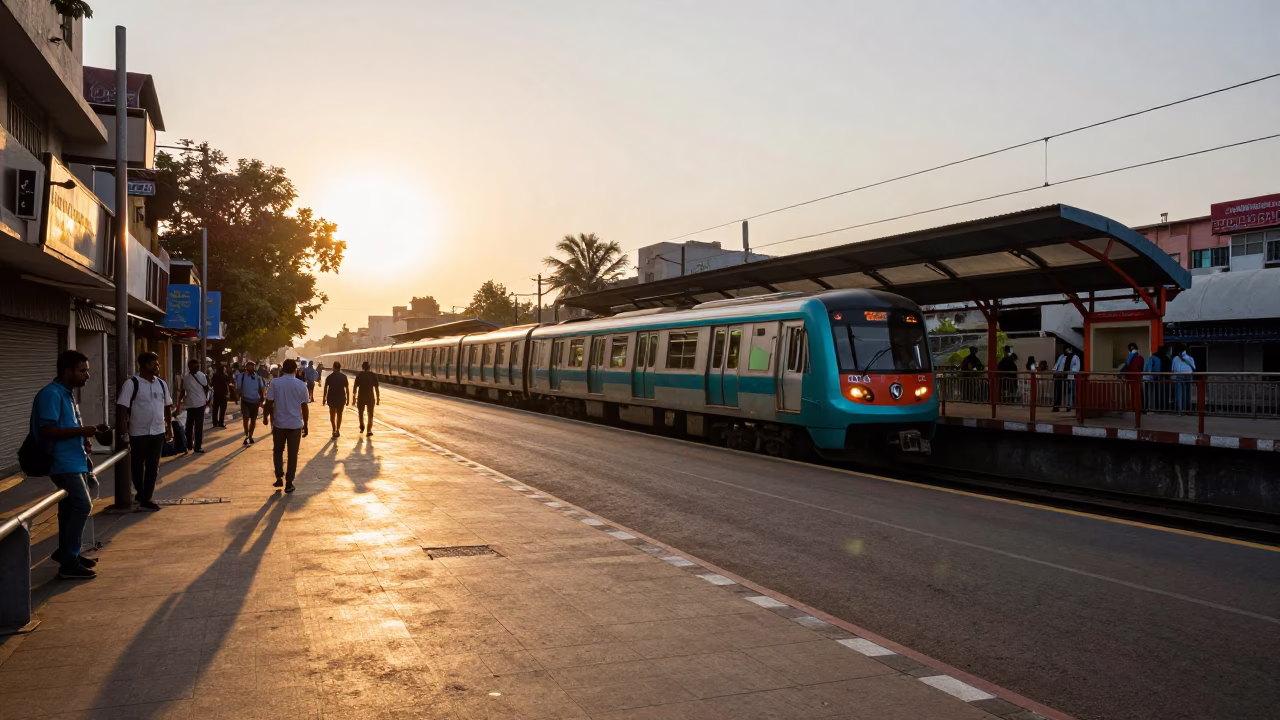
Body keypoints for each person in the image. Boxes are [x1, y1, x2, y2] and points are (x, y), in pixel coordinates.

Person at [30, 350, 109, 579]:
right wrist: (83, 431)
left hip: (76, 459)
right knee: (82, 505)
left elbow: (67, 425)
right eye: (82, 370)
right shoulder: (51, 394)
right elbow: (47, 430)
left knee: (69, 509)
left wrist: (84, 437)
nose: (87, 375)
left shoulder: (68, 394)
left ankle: (69, 554)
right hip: (62, 462)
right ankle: (68, 560)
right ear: (68, 371)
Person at [116, 352, 173, 512]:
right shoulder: (132, 384)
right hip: (138, 432)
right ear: (145, 365)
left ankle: (147, 497)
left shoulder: (161, 384)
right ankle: (141, 493)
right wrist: (123, 432)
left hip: (158, 430)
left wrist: (170, 429)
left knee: (153, 464)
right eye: (154, 364)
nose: (157, 366)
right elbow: (122, 408)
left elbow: (167, 407)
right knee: (137, 464)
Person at [264, 358, 309, 493]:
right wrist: (306, 424)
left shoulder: (275, 383)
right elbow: (305, 406)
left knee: (278, 451)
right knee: (293, 454)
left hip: (279, 424)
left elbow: (268, 402)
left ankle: (279, 477)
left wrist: (266, 417)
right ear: (295, 370)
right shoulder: (301, 385)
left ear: (282, 369)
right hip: (295, 424)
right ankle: (289, 482)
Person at [176, 359, 209, 454]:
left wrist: (179, 402)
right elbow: (206, 387)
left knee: (189, 425)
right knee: (197, 426)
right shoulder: (201, 375)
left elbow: (183, 390)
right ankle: (197, 446)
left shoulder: (186, 377)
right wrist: (207, 399)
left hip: (191, 403)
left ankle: (189, 445)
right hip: (198, 403)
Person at [237, 360, 268, 445]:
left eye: (253, 366)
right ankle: (246, 434)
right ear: (246, 367)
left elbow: (261, 389)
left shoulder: (258, 378)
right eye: (250, 366)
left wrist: (262, 400)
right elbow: (238, 388)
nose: (252, 368)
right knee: (246, 417)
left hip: (255, 401)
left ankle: (250, 436)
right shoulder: (241, 376)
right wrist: (237, 397)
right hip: (245, 400)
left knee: (253, 420)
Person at [322, 361, 350, 437]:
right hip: (341, 398)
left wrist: (324, 399)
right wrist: (348, 399)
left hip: (331, 398)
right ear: (340, 368)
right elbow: (347, 389)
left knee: (332, 414)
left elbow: (325, 389)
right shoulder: (344, 377)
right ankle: (338, 429)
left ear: (333, 368)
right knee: (339, 414)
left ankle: (333, 429)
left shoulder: (329, 377)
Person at [353, 361, 380, 436]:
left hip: (361, 396)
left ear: (362, 367)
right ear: (369, 367)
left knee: (360, 412)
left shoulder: (359, 375)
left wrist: (354, 398)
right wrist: (378, 398)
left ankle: (362, 426)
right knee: (370, 414)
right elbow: (376, 388)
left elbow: (355, 387)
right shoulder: (372, 375)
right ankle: (369, 430)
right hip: (370, 397)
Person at [1170, 344, 1197, 415]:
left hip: (1179, 376)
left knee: (1179, 393)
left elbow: (1173, 369)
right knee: (1188, 393)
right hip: (1188, 376)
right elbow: (1194, 368)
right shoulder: (1190, 358)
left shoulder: (1175, 358)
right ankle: (1188, 409)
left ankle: (1179, 411)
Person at [1051, 346, 1080, 411]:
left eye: (1067, 350)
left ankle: (1069, 406)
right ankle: (1057, 406)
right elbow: (1057, 364)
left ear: (1071, 350)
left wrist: (1069, 371)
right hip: (1060, 375)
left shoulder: (1075, 357)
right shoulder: (1061, 356)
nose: (1066, 352)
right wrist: (1055, 370)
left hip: (1069, 376)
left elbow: (1076, 367)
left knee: (1069, 391)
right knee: (1059, 391)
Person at [1121, 342, 1145, 412]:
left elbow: (1126, 367)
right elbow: (1141, 368)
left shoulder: (1130, 358)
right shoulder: (1141, 358)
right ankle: (1138, 408)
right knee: (1138, 394)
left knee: (1131, 395)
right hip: (1138, 379)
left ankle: (1132, 408)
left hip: (1130, 379)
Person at [1142, 345, 1164, 412]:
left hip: (1147, 378)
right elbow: (1158, 370)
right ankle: (1154, 407)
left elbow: (1145, 368)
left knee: (1147, 394)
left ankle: (1146, 407)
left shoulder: (1150, 358)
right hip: (1155, 379)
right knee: (1154, 393)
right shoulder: (1159, 359)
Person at [210, 363, 232, 428]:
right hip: (224, 394)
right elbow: (229, 382)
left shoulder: (215, 375)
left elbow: (211, 384)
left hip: (216, 393)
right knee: (223, 409)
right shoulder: (225, 376)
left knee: (215, 408)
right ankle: (221, 422)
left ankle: (214, 422)